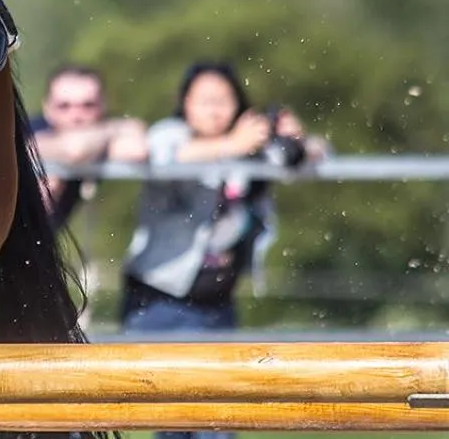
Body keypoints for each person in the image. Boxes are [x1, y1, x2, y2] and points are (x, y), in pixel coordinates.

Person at [120, 60, 327, 439]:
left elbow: (312, 156)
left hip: (218, 304)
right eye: (204, 101)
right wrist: (232, 145)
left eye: (224, 100)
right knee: (175, 421)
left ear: (239, 105)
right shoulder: (172, 133)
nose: (214, 110)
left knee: (219, 421)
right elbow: (160, 154)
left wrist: (295, 140)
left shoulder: (249, 146)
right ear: (184, 103)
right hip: (160, 302)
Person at [29, 64, 149, 229]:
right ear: (47, 108)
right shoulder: (28, 132)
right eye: (64, 106)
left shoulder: (98, 138)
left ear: (103, 105)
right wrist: (111, 130)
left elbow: (136, 149)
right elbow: (75, 150)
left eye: (88, 105)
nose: (76, 116)